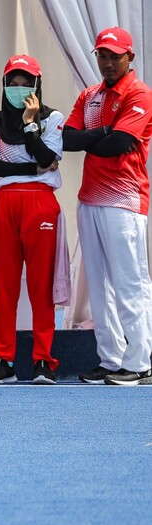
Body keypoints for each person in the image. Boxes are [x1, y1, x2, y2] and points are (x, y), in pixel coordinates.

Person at [63, 27, 152, 386]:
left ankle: (141, 361)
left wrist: (94, 138)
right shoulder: (90, 95)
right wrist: (99, 135)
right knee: (98, 284)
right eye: (102, 55)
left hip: (124, 202)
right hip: (90, 200)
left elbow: (120, 144)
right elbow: (66, 139)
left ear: (130, 57)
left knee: (130, 282)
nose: (108, 62)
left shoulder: (141, 93)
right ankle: (112, 358)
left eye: (115, 56)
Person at [0, 54, 64, 385]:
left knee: (41, 287)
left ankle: (43, 360)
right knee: (5, 286)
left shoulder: (53, 118)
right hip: (3, 204)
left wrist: (30, 124)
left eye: (25, 82)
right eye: (12, 83)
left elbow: (48, 156)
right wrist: (34, 170)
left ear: (37, 85)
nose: (18, 89)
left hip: (40, 205)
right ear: (4, 86)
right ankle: (4, 361)